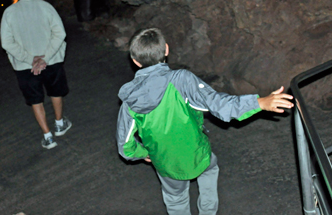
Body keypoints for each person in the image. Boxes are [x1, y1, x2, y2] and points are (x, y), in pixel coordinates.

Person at [116, 28, 294, 215]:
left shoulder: (130, 101)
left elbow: (125, 147)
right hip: (197, 154)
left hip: (166, 163)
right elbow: (219, 104)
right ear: (166, 49)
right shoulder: (181, 80)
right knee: (210, 168)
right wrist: (258, 103)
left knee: (176, 199)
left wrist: (145, 153)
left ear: (135, 61)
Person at [0, 0, 72, 150]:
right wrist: (44, 58)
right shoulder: (45, 7)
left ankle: (47, 136)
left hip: (25, 66)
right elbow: (60, 34)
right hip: (51, 61)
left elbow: (7, 43)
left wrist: (29, 59)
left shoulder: (9, 13)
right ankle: (60, 124)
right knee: (55, 92)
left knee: (35, 99)